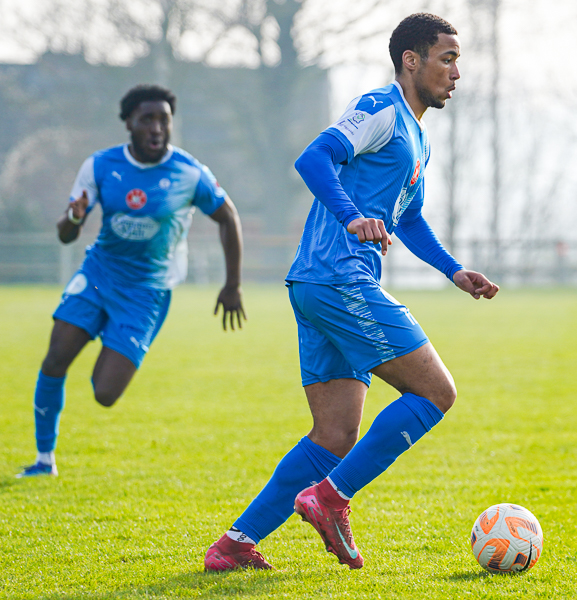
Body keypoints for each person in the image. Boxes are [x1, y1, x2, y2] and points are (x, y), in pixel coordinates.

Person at [204, 13, 498, 572]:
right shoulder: (379, 108)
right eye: (447, 59)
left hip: (318, 284)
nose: (456, 73)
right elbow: (313, 158)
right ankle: (330, 499)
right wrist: (352, 215)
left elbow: (406, 220)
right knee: (436, 392)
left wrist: (454, 270)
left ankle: (235, 544)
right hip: (340, 279)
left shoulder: (417, 138)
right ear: (411, 60)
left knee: (335, 433)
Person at [16, 84, 245, 478]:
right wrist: (73, 218)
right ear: (129, 124)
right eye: (147, 119)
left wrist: (232, 284)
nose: (157, 128)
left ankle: (112, 338)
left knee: (104, 394)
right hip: (98, 277)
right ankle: (43, 460)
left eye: (164, 120)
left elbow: (229, 218)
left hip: (147, 293)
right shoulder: (100, 166)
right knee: (55, 359)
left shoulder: (189, 173)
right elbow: (66, 234)